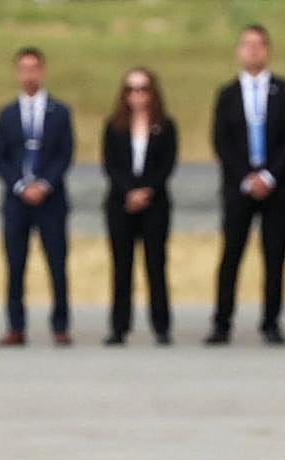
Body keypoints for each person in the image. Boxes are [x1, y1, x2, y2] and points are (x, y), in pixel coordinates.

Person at [206, 23, 285, 345]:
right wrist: (246, 177)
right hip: (239, 186)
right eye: (247, 45)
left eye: (259, 45)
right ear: (239, 51)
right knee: (231, 254)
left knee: (275, 256)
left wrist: (269, 175)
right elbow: (221, 141)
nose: (253, 50)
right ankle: (222, 322)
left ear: (268, 50)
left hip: (277, 186)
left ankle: (271, 322)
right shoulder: (227, 94)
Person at [0, 46, 74, 347]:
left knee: (57, 263)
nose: (29, 75)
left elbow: (65, 154)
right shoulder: (7, 115)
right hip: (17, 202)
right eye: (24, 69)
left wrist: (45, 184)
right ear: (17, 73)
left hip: (51, 200)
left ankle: (60, 325)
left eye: (34, 68)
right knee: (15, 264)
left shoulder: (59, 112)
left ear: (42, 71)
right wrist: (20, 185)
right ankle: (16, 326)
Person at [101, 67, 178, 346]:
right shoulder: (113, 126)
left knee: (155, 265)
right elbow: (110, 164)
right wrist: (129, 191)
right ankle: (119, 327)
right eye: (131, 89)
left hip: (155, 203)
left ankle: (161, 326)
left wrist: (147, 190)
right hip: (120, 203)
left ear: (152, 92)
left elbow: (167, 164)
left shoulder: (165, 126)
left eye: (143, 89)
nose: (137, 95)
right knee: (122, 266)